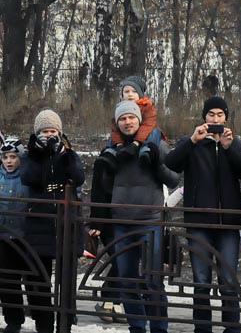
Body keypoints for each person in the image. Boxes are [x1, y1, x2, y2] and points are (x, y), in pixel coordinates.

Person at [164, 96, 241, 333]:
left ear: (226, 118)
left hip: (228, 223)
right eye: (210, 115)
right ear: (203, 118)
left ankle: (232, 328)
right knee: (201, 281)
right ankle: (202, 329)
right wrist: (192, 141)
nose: (214, 119)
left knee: (228, 281)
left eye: (219, 115)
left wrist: (228, 148)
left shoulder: (234, 144)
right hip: (199, 222)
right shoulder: (191, 143)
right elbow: (171, 163)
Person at [92, 101, 179, 333]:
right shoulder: (113, 146)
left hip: (150, 220)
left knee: (153, 281)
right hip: (121, 221)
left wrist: (155, 164)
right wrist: (106, 170)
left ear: (139, 120)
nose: (127, 122)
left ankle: (159, 328)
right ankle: (137, 327)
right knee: (127, 280)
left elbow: (173, 179)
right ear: (117, 123)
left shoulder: (156, 142)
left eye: (131, 117)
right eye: (122, 118)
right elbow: (107, 186)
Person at [20, 110, 85, 333]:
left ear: (60, 132)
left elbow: (78, 177)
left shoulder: (69, 153)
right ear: (38, 134)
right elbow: (29, 177)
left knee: (66, 281)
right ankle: (44, 323)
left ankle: (65, 323)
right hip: (40, 221)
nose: (49, 135)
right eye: (45, 132)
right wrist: (39, 154)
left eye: (53, 131)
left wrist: (63, 155)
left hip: (66, 223)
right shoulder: (30, 156)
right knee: (37, 278)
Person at [0, 137, 29, 333]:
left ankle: (41, 316)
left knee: (29, 279)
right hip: (3, 237)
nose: (9, 161)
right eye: (5, 157)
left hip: (24, 236)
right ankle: (13, 321)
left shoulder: (27, 178)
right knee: (7, 280)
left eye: (13, 157)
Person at [109, 75, 160, 147]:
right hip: (127, 135)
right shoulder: (120, 108)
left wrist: (136, 143)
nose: (130, 94)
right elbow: (115, 129)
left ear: (140, 94)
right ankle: (109, 153)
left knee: (154, 132)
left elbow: (147, 126)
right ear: (122, 95)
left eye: (134, 91)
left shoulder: (147, 107)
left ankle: (146, 152)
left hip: (144, 137)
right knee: (113, 138)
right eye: (127, 91)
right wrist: (119, 144)